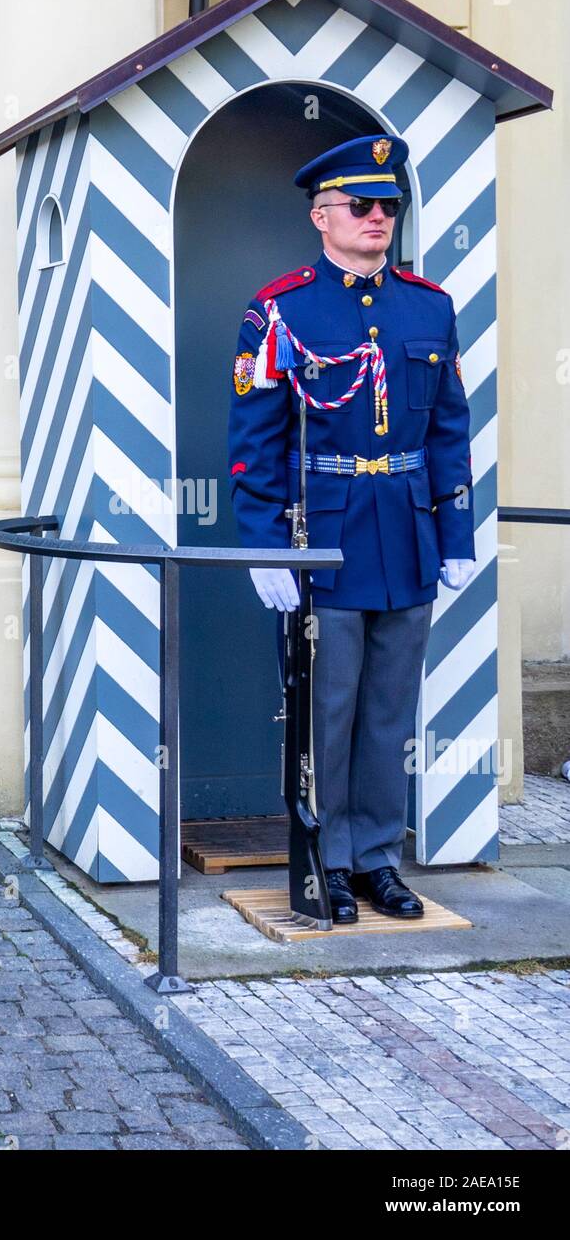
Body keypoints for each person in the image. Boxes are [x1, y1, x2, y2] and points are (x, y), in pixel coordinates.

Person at [227, 134, 476, 924]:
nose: (377, 218)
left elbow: (447, 430)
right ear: (320, 215)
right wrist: (266, 543)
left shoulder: (429, 306)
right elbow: (254, 438)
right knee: (326, 707)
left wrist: (459, 532)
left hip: (406, 532)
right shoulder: (280, 310)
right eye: (361, 205)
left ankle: (376, 859)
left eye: (388, 206)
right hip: (323, 534)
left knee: (389, 708)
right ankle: (327, 859)